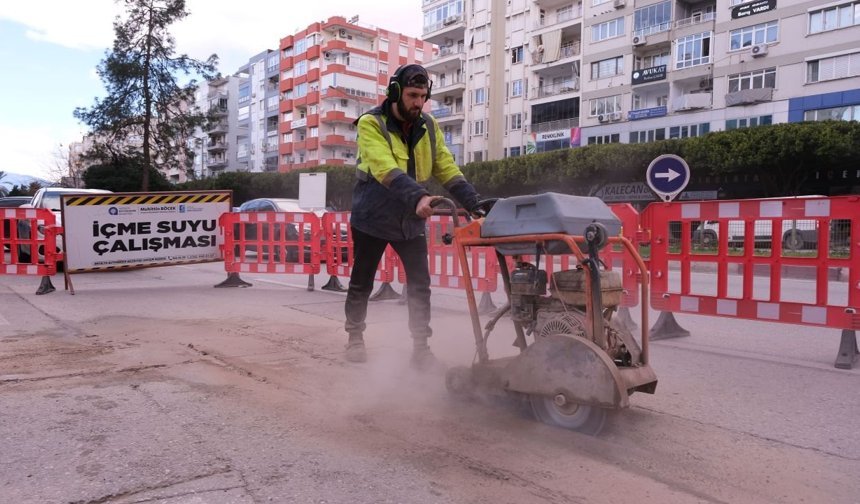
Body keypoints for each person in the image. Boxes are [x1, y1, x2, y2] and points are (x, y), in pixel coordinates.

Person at [344, 63, 481, 368]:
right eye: (412, 95)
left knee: (419, 283)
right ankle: (355, 336)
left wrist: (475, 203)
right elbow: (383, 167)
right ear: (396, 92)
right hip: (373, 214)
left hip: (411, 217)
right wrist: (419, 196)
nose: (418, 103)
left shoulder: (428, 126)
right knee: (362, 280)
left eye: (423, 96)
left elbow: (445, 167)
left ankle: (421, 348)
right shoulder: (370, 124)